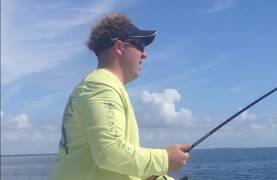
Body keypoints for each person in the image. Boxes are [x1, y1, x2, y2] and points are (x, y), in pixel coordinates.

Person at [50, 13, 190, 180]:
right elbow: (110, 153)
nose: (144, 55)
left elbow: (111, 164)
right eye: (140, 45)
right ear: (119, 47)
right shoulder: (101, 87)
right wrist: (165, 159)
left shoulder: (100, 84)